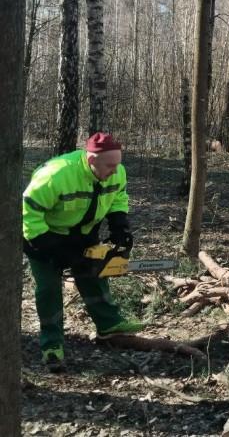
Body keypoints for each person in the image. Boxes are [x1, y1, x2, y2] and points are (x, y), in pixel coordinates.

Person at [23, 133, 145, 370]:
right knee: (48, 288)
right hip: (43, 235)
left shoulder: (116, 171)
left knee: (94, 275)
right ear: (91, 161)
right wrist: (56, 252)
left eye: (117, 164)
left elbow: (118, 197)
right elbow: (28, 213)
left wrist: (120, 225)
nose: (114, 170)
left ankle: (109, 324)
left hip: (83, 233)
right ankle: (51, 344)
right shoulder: (56, 175)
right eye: (110, 165)